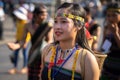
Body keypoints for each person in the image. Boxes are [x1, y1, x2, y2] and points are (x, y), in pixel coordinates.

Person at [41, 2, 99, 80]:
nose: (57, 26)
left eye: (64, 21)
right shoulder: (47, 50)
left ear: (79, 25)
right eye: (55, 21)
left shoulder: (87, 59)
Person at [7, 5, 31, 74]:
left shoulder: (26, 23)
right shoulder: (18, 21)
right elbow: (18, 32)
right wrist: (16, 41)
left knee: (25, 54)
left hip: (24, 41)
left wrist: (26, 42)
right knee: (16, 54)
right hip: (18, 40)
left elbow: (28, 34)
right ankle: (14, 67)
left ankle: (25, 67)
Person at [100, 2, 120, 80]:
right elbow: (103, 46)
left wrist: (115, 33)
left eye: (114, 15)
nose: (111, 18)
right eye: (108, 15)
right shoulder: (106, 27)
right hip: (107, 67)